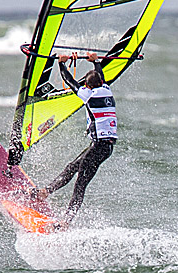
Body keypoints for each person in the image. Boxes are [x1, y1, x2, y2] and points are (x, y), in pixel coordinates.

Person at [30, 52, 117, 226]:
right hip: (103, 147)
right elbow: (101, 76)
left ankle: (65, 222)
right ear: (100, 83)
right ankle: (44, 192)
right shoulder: (106, 89)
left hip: (100, 147)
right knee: (72, 167)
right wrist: (96, 61)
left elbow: (71, 83)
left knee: (80, 184)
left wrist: (61, 64)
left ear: (88, 86)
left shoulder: (89, 94)